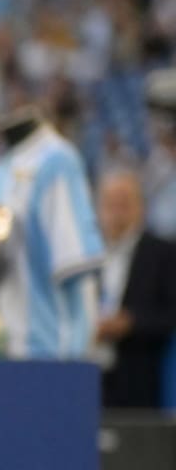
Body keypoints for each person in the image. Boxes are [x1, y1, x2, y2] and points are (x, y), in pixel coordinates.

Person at [0, 110, 104, 360]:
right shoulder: (1, 165)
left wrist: (75, 355)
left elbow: (75, 266)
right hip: (8, 349)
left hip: (53, 352)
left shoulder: (58, 161)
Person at [94, 169, 176, 408]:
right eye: (110, 203)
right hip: (90, 372)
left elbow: (171, 314)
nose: (116, 211)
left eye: (124, 203)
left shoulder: (162, 253)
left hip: (138, 376)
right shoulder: (86, 254)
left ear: (141, 207)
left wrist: (130, 322)